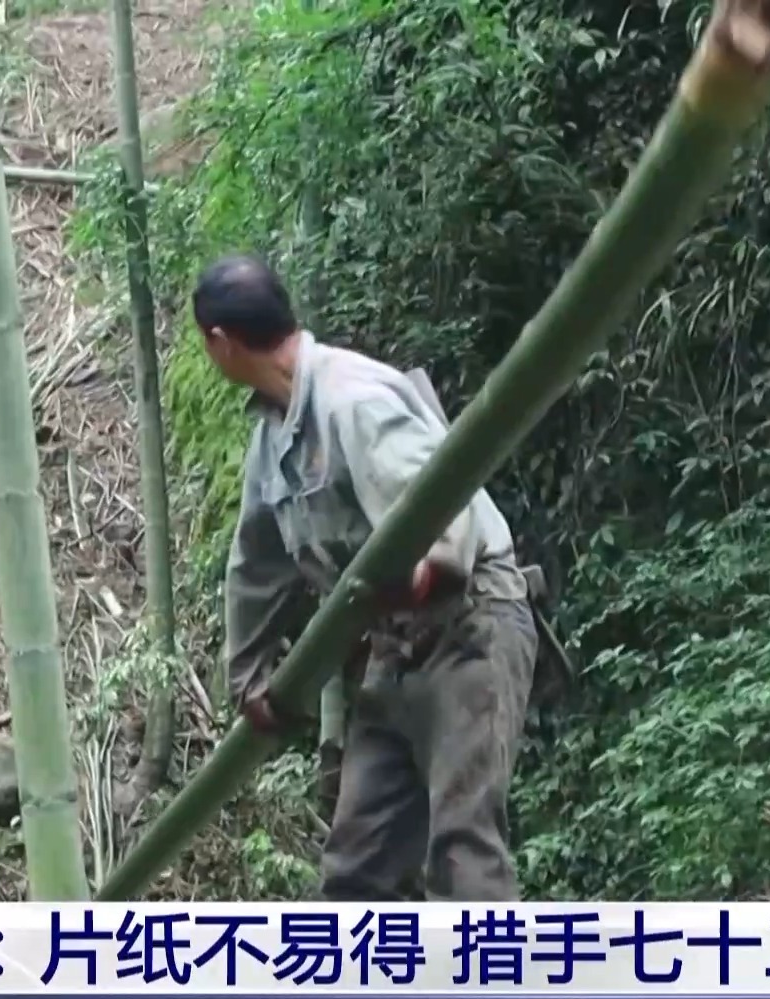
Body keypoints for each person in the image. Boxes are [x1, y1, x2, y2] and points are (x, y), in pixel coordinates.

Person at [193, 253, 540, 902]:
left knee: (462, 848)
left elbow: (442, 498)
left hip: (469, 621)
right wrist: (251, 678)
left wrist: (429, 572)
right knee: (356, 870)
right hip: (392, 644)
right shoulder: (273, 438)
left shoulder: (353, 397)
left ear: (220, 342)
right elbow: (257, 564)